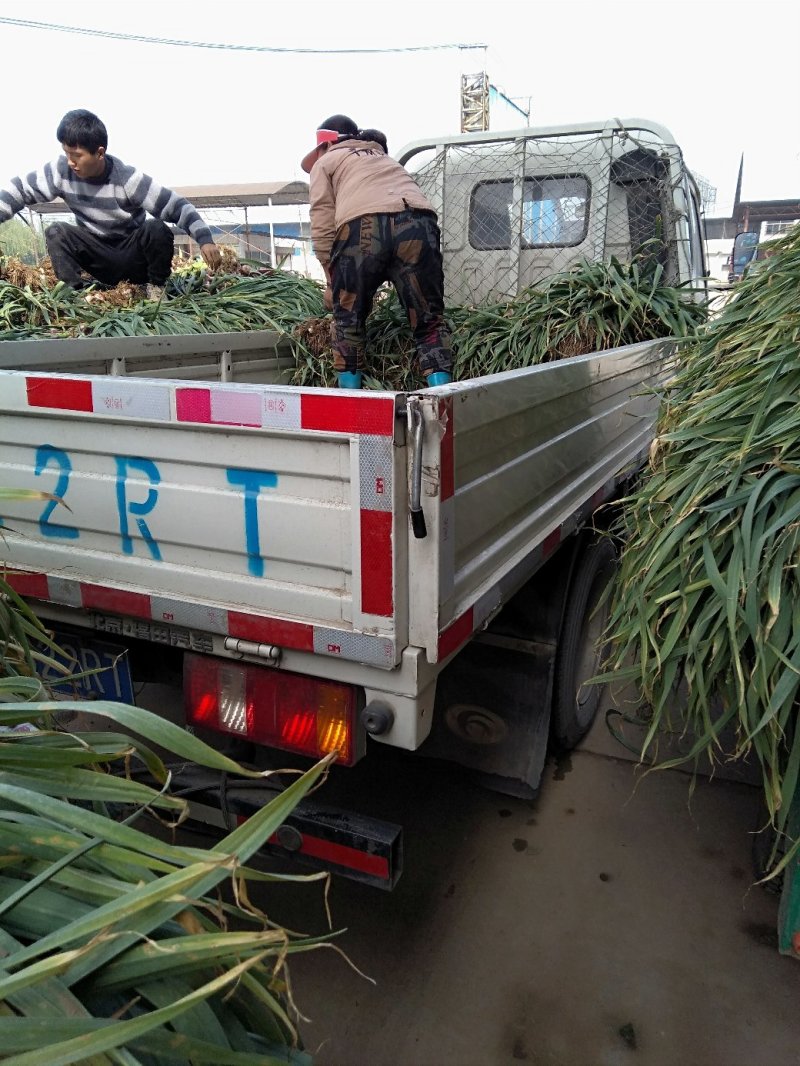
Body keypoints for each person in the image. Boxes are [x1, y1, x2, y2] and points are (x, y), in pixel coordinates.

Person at [0, 110, 221, 299]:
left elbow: (176, 205)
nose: (70, 161)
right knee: (56, 232)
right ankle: (74, 295)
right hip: (98, 257)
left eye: (76, 155)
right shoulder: (61, 172)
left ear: (99, 153)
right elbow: (19, 190)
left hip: (133, 257)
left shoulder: (127, 179)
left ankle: (156, 288)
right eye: (66, 153)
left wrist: (204, 239)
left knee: (156, 228)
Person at [302, 114, 452, 389]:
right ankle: (442, 402)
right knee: (429, 322)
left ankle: (352, 408)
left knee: (348, 322)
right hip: (418, 223)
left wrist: (330, 280)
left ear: (325, 145)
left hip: (364, 228)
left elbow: (322, 222)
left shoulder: (326, 162)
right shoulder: (385, 159)